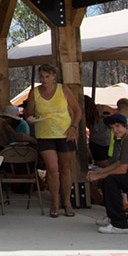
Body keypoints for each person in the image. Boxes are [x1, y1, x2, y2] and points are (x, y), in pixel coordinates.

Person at [23, 63, 81, 218]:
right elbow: (29, 113)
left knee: (65, 167)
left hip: (64, 132)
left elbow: (77, 110)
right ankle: (55, 202)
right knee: (52, 167)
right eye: (41, 76)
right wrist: (30, 119)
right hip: (44, 134)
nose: (44, 79)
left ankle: (67, 202)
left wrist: (74, 127)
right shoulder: (34, 92)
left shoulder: (64, 90)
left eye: (47, 76)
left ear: (54, 76)